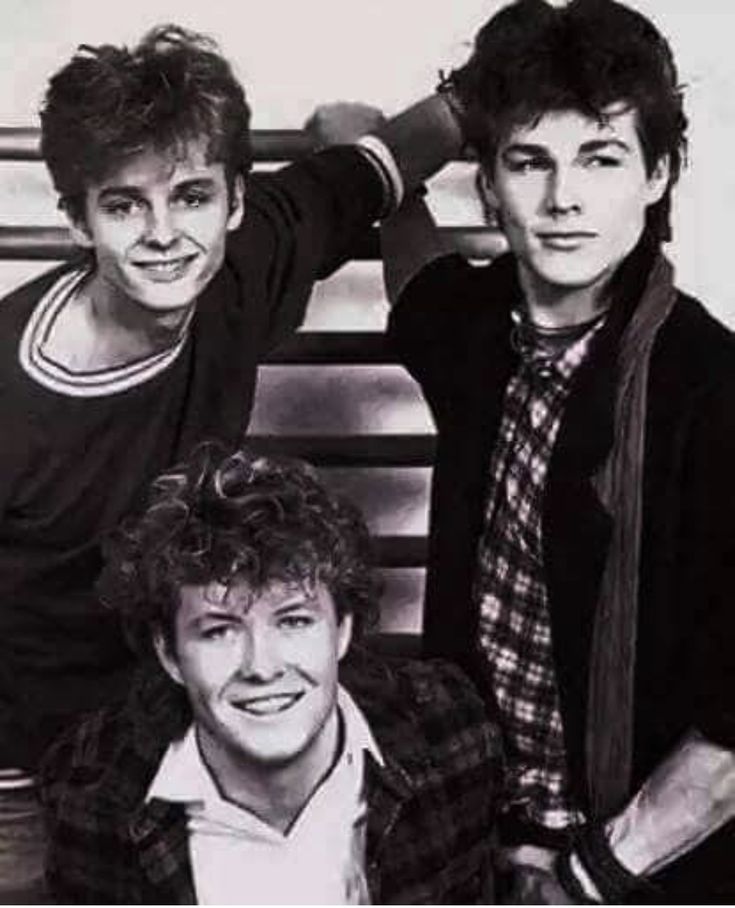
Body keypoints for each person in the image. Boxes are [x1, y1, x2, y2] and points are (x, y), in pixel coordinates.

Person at [0, 24, 464, 899]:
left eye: (191, 196)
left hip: (192, 722)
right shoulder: (8, 396)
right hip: (25, 770)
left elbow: (371, 167)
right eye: (123, 204)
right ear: (76, 217)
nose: (164, 234)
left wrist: (486, 94)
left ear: (235, 202)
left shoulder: (243, 267)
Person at [331, 0, 735, 901]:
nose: (563, 200)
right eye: (529, 162)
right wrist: (371, 155)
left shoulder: (712, 394)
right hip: (474, 830)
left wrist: (590, 877)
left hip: (648, 863)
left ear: (658, 174)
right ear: (489, 182)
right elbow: (418, 277)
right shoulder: (473, 332)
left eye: (600, 158)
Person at [39, 443, 502, 904]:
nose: (261, 667)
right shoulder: (92, 790)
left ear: (342, 630)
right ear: (169, 654)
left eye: (295, 620)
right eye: (219, 631)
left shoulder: (450, 734)